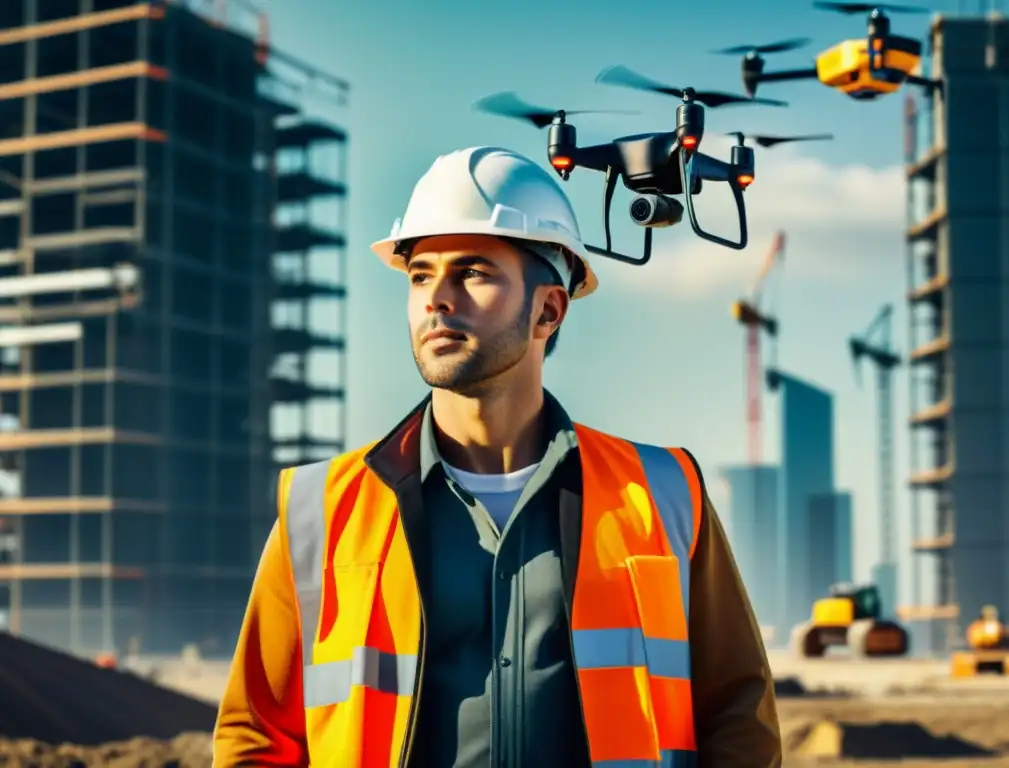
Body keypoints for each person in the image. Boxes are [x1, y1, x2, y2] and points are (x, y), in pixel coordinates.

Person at [213, 146, 781, 767]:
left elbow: (737, 714)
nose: (437, 298)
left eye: (474, 272)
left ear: (547, 310)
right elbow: (257, 734)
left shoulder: (663, 495)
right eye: (421, 274)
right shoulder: (321, 512)